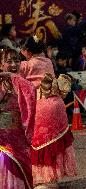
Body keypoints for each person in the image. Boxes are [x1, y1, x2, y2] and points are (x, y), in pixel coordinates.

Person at [19, 36, 77, 188]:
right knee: (53, 143)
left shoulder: (25, 65)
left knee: (40, 143)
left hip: (40, 106)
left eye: (23, 49)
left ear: (27, 51)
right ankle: (52, 179)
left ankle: (43, 180)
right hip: (57, 104)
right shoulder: (48, 61)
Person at [0, 48, 35, 189]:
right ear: (1, 64)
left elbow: (31, 93)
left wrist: (13, 77)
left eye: (17, 61)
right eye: (9, 61)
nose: (14, 65)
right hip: (3, 138)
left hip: (20, 137)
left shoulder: (22, 83)